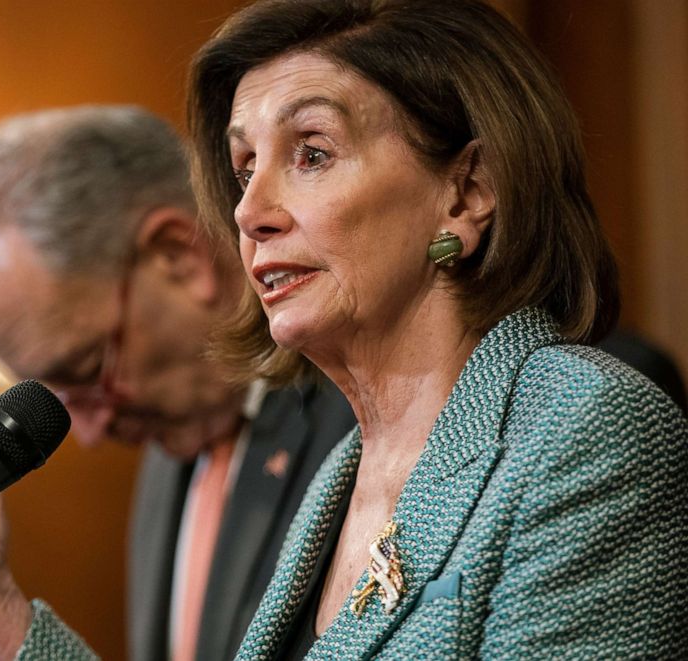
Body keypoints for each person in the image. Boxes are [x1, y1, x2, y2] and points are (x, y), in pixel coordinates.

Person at [182, 0, 688, 658]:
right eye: (245, 168)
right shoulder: (338, 477)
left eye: (311, 153)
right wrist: (0, 611)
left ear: (466, 191)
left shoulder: (583, 427)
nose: (250, 211)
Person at [0, 105, 355, 661]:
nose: (89, 432)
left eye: (86, 369)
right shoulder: (170, 456)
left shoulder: (371, 428)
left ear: (178, 256)